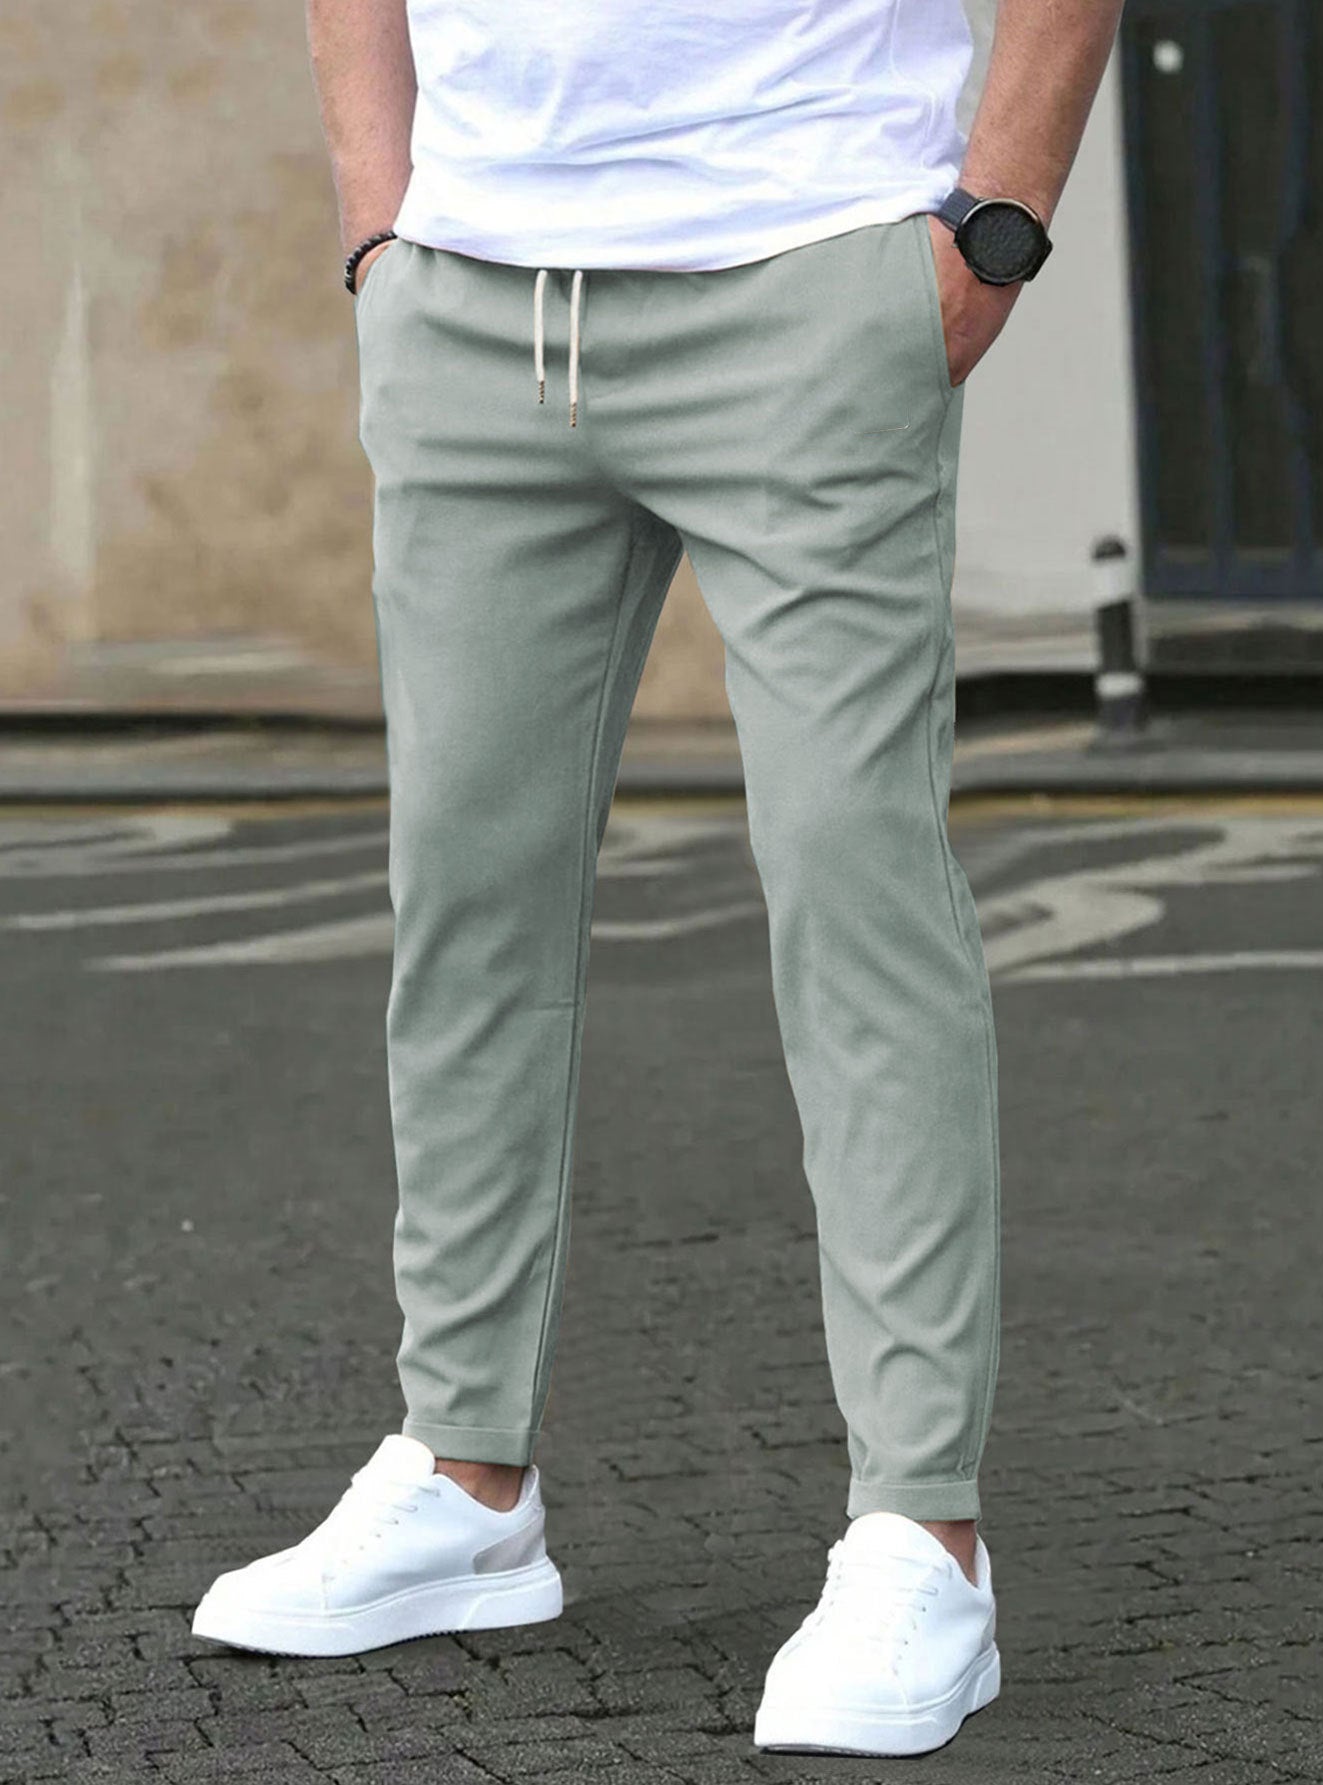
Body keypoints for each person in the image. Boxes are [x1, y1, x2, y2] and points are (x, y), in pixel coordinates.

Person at [193, 0, 1124, 1756]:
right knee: (463, 906)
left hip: (811, 264)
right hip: (473, 299)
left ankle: (919, 1530)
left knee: (857, 897)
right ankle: (465, 1480)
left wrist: (991, 227)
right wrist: (383, 228)